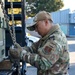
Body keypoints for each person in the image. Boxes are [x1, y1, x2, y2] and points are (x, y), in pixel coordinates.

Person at [9, 11, 69, 75]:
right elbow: (32, 48)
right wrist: (18, 50)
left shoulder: (56, 39)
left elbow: (43, 63)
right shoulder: (46, 38)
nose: (36, 30)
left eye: (37, 26)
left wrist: (21, 54)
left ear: (46, 22)